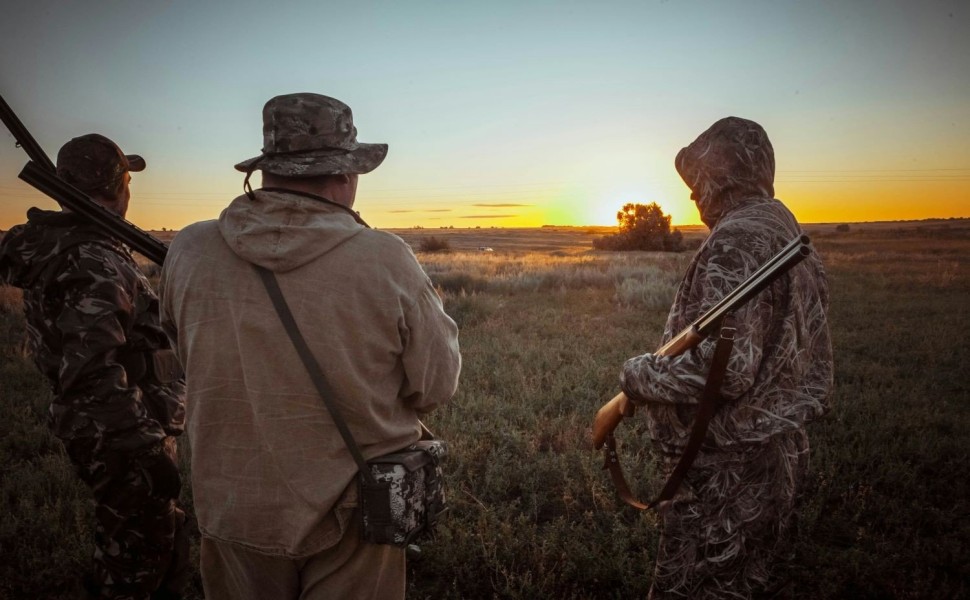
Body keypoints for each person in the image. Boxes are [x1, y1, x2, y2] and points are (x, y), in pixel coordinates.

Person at [159, 93, 461, 600]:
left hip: (231, 503)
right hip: (354, 510)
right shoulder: (384, 258)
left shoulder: (189, 249)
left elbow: (178, 358)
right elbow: (436, 384)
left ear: (267, 169)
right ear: (345, 174)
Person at [604, 117, 833, 598]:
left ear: (721, 176)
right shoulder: (783, 228)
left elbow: (726, 368)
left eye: (698, 183)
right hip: (775, 451)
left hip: (727, 469)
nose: (692, 197)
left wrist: (636, 377)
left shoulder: (738, 239)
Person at [0, 134, 189, 599]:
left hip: (115, 424)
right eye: (128, 178)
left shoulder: (70, 243)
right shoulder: (92, 260)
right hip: (121, 430)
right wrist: (145, 452)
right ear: (120, 185)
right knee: (139, 562)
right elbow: (92, 374)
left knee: (141, 539)